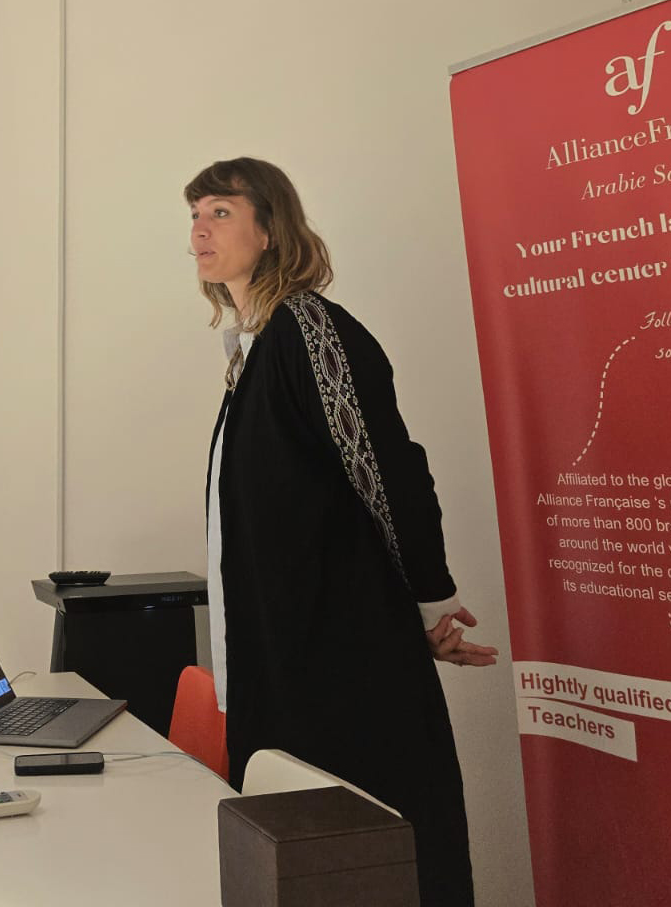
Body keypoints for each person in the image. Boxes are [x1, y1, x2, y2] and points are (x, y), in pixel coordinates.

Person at [187, 157, 497, 907]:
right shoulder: (255, 350)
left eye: (221, 211)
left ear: (270, 228)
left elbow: (386, 469)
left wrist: (429, 601)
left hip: (340, 665)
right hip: (288, 661)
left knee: (366, 864)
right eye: (194, 214)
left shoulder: (309, 327)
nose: (199, 227)